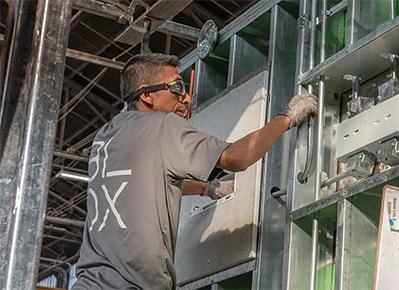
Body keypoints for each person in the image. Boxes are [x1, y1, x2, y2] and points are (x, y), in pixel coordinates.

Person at [71, 53, 318, 289]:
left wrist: (207, 188)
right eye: (176, 88)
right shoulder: (161, 124)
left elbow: (145, 181)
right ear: (146, 95)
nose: (186, 98)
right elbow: (238, 157)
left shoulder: (107, 136)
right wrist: (287, 117)